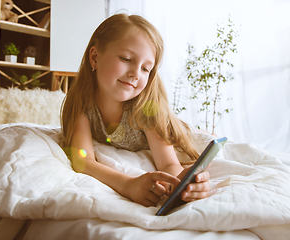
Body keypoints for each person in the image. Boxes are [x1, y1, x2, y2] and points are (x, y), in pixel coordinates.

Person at [61, 14, 210, 207]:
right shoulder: (82, 102)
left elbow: (167, 164)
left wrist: (183, 183)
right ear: (95, 57)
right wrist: (128, 185)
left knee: (195, 135)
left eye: (146, 69)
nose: (135, 74)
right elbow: (84, 161)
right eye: (126, 59)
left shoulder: (146, 107)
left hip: (173, 131)